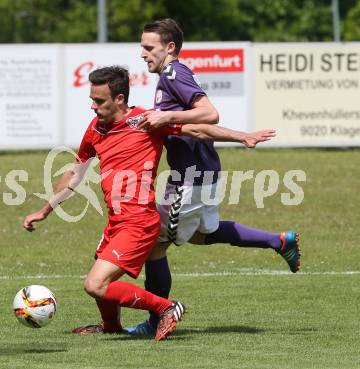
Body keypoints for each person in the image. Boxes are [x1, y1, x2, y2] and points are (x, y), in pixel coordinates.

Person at [22, 66, 275, 341]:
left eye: (99, 101)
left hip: (138, 222)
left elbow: (197, 130)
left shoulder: (145, 121)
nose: (93, 107)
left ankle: (166, 308)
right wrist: (45, 209)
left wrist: (242, 136)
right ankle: (111, 327)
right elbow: (76, 171)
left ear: (119, 99)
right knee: (100, 267)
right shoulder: (96, 128)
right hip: (117, 220)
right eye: (92, 100)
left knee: (95, 284)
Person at [125, 18, 301, 336]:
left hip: (190, 179)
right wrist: (242, 136)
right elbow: (198, 126)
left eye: (148, 47)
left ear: (169, 48)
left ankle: (156, 320)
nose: (142, 53)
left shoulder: (172, 73)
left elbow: (208, 113)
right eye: (142, 46)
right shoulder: (172, 75)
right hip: (203, 173)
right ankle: (279, 241)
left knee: (154, 245)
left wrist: (166, 116)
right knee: (204, 234)